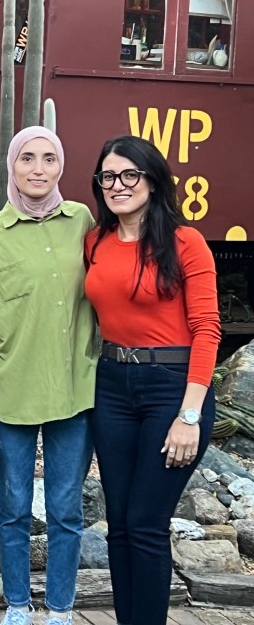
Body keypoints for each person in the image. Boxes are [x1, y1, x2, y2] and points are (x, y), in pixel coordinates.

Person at [0, 126, 97, 625]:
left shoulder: (81, 220)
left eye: (49, 159)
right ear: (12, 166)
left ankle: (60, 606)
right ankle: (18, 603)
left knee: (66, 509)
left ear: (61, 167)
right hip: (7, 388)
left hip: (73, 388)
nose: (38, 169)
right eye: (27, 159)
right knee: (13, 505)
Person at [84, 135, 218, 625]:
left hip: (173, 386)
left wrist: (190, 414)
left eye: (128, 175)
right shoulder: (94, 241)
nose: (117, 185)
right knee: (118, 524)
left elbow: (208, 329)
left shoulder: (185, 242)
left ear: (153, 179)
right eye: (107, 176)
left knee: (145, 522)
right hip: (112, 384)